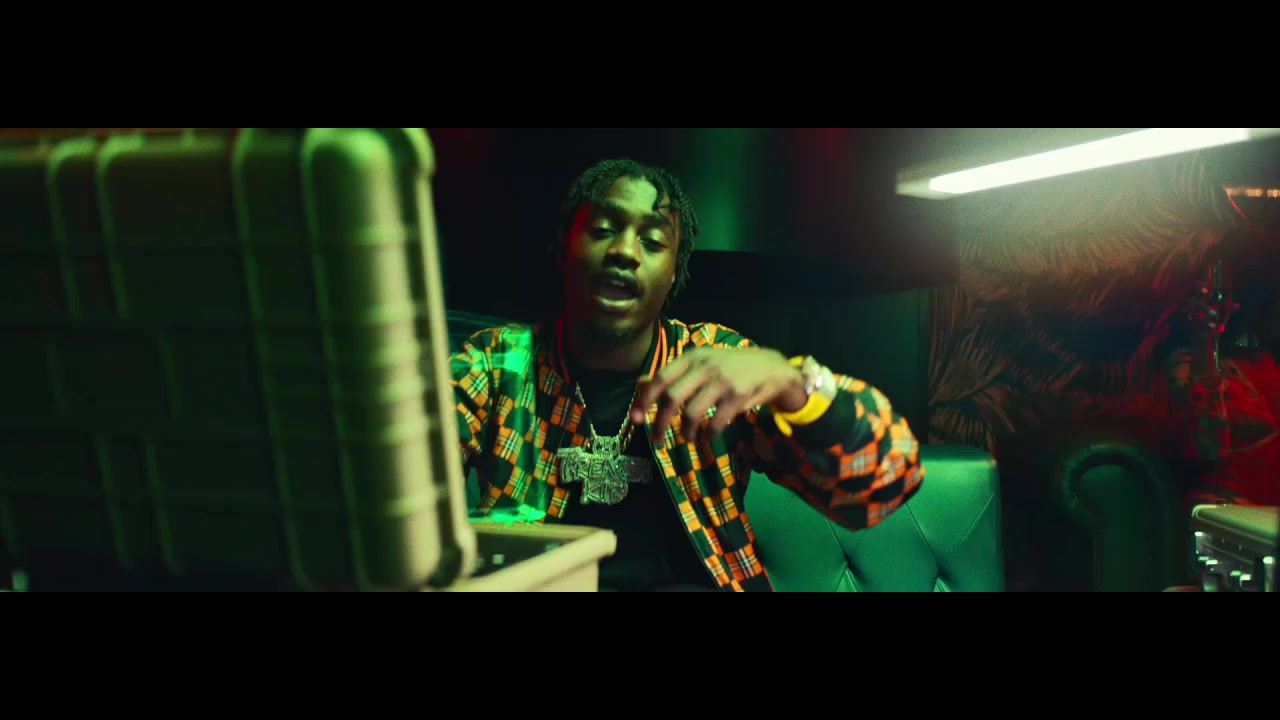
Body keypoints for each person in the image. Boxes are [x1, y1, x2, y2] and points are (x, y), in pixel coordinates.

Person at [449, 158, 924, 592]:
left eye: (653, 241)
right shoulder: (499, 362)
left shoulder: (714, 365)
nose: (624, 251)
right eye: (603, 230)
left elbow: (886, 480)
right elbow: (412, 465)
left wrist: (795, 388)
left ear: (674, 272)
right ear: (563, 248)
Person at [1166, 231, 1280, 508]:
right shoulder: (1185, 364)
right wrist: (1203, 346)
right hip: (1228, 507)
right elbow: (1209, 447)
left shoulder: (1263, 360)